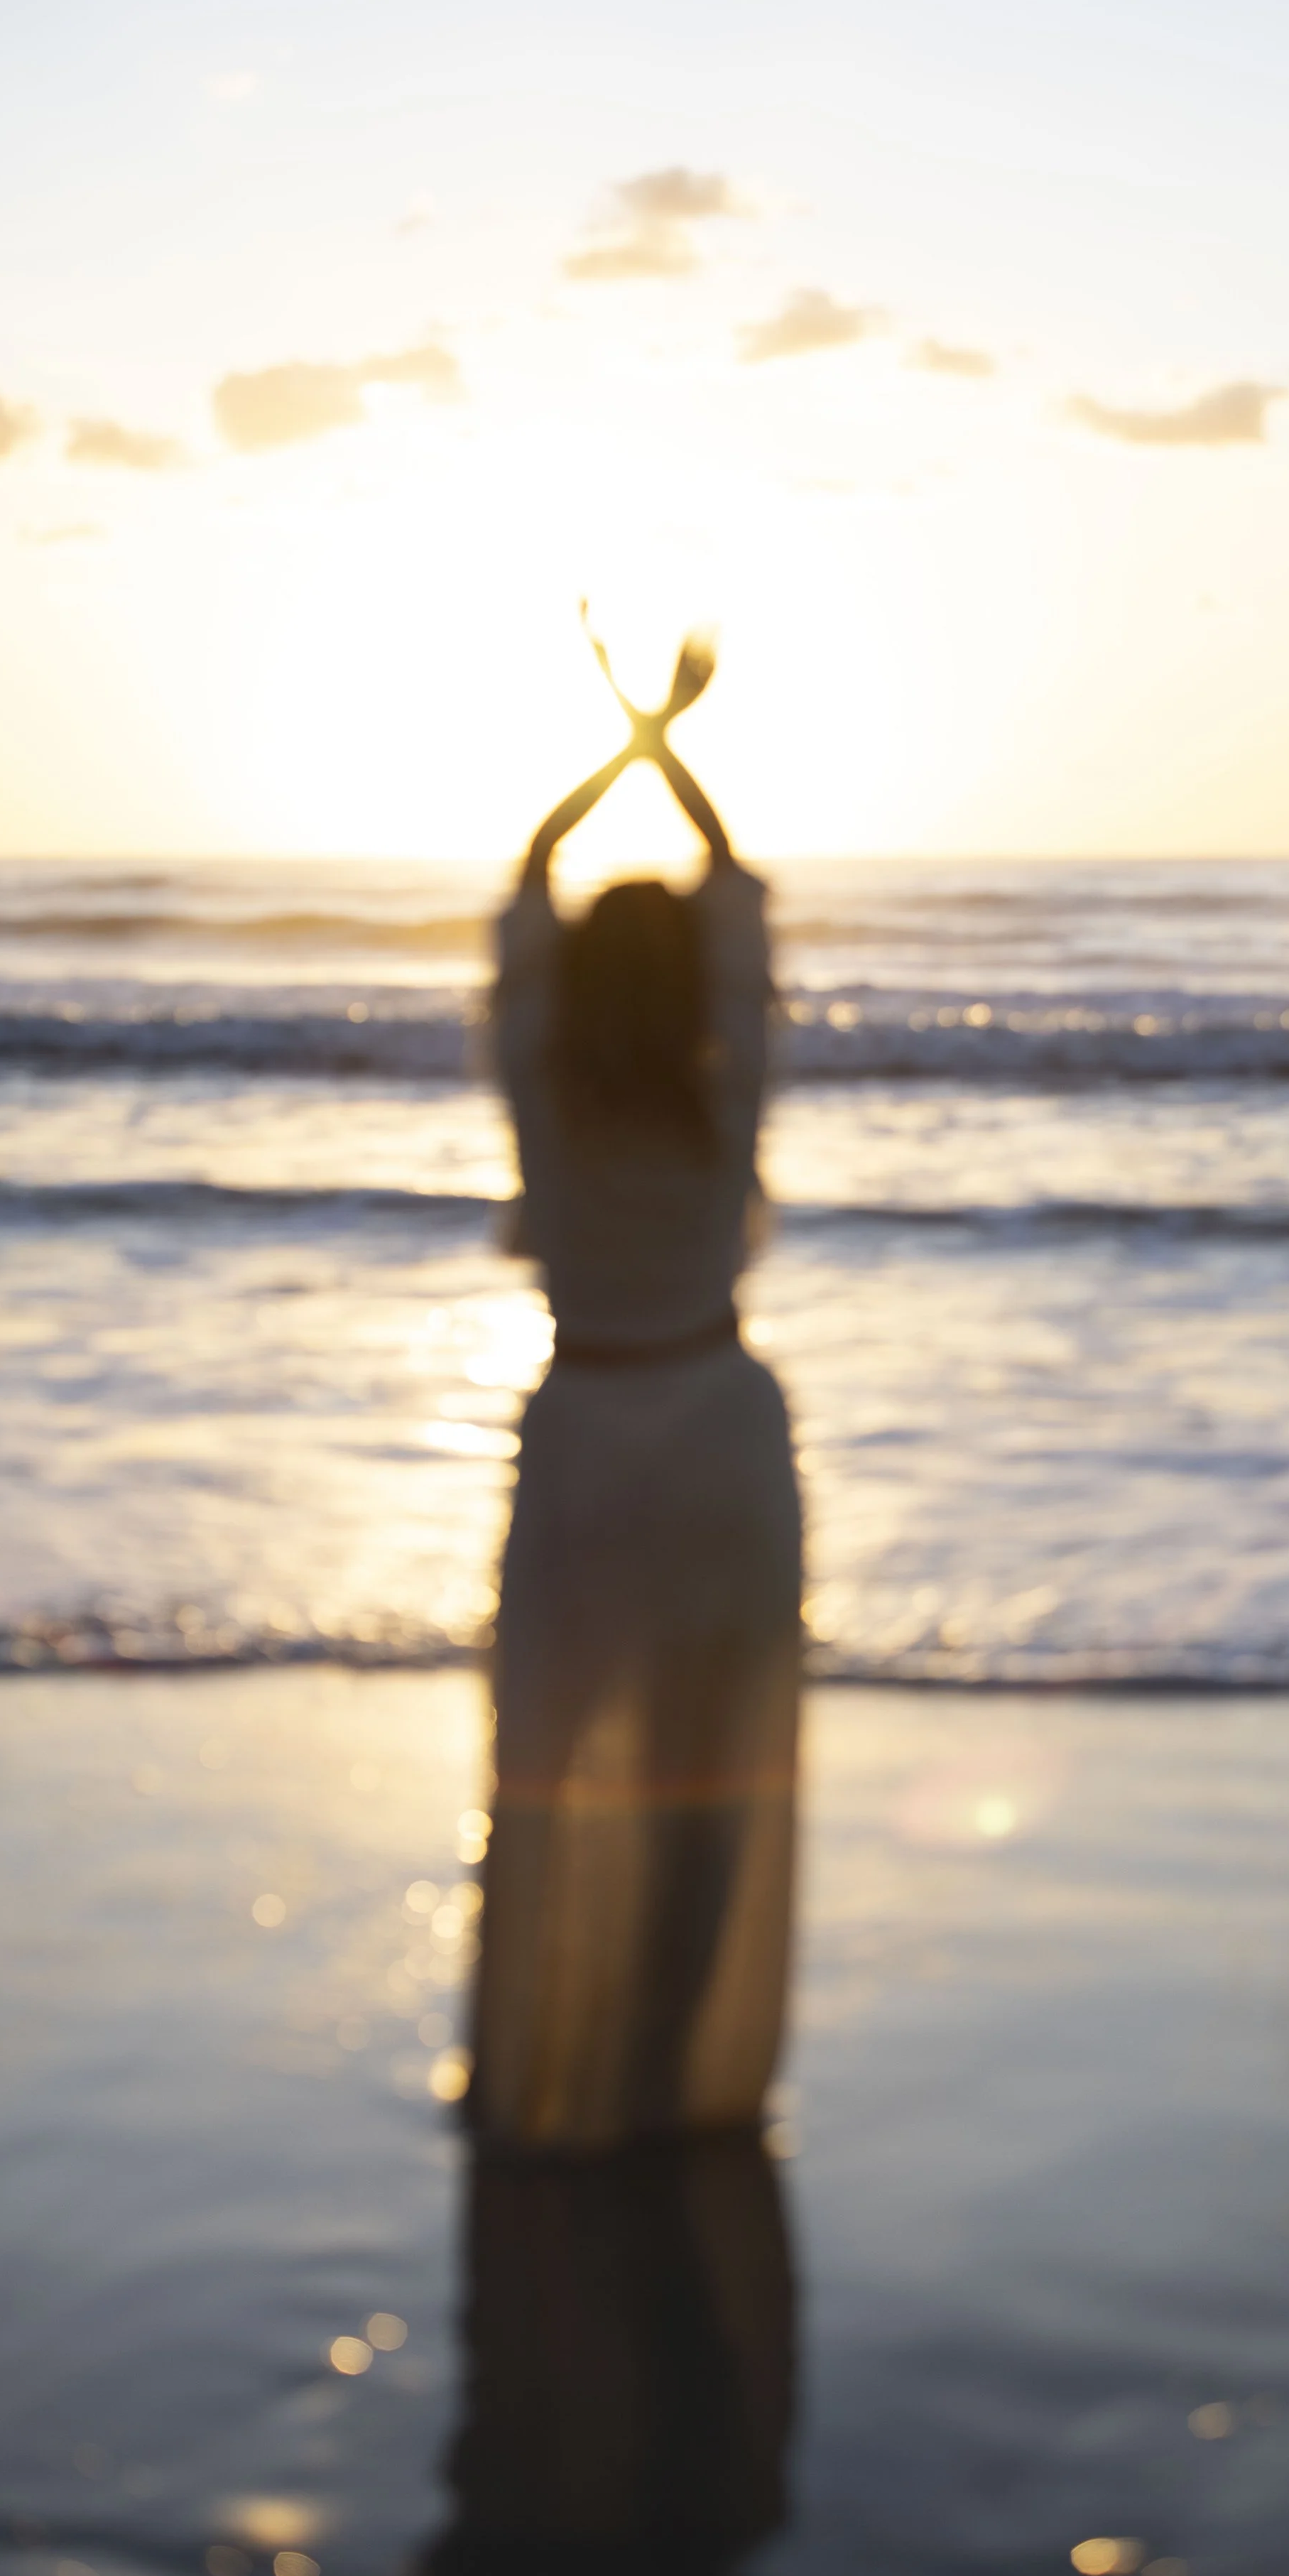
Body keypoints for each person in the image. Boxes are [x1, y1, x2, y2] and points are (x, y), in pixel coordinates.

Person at [470, 625, 803, 2153]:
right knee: (709, 1757)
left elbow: (525, 883)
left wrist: (612, 750)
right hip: (721, 1433)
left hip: (588, 1430)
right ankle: (683, 2074)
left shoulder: (541, 1076)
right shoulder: (722, 1071)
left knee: (550, 1751)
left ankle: (550, 2068)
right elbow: (735, 888)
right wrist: (671, 745)